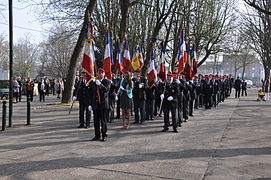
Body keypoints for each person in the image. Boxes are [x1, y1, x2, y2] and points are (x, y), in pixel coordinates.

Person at [89, 68, 111, 142]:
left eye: (102, 72)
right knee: (96, 121)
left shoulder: (107, 81)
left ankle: (104, 135)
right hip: (96, 104)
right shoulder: (93, 82)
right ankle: (97, 135)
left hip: (103, 104)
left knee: (103, 121)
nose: (100, 74)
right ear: (97, 73)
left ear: (104, 74)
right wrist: (90, 104)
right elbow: (92, 94)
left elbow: (106, 90)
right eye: (99, 72)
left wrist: (100, 85)